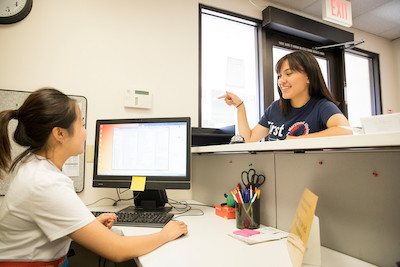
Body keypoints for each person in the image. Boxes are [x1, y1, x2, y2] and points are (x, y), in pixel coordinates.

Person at [0, 88, 187, 265]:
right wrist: (165, 234)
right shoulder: (45, 182)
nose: (85, 133)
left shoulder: (34, 167)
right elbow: (117, 250)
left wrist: (86, 225)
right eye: (81, 124)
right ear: (59, 133)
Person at [219, 50, 352, 142]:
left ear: (309, 77)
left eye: (288, 74)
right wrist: (240, 106)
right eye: (280, 76)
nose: (281, 81)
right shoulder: (276, 108)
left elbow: (345, 131)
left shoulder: (322, 106)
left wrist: (297, 140)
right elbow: (248, 140)